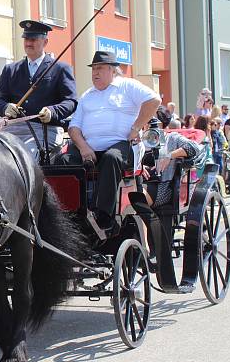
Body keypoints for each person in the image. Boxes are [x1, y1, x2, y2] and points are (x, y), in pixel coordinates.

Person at [58, 50, 161, 231]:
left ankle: (104, 215)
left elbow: (154, 100)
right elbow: (74, 127)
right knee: (63, 161)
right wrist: (83, 148)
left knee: (111, 158)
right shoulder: (87, 95)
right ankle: (67, 212)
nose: (95, 73)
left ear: (113, 70)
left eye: (100, 68)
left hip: (122, 145)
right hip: (89, 148)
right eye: (93, 69)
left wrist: (136, 127)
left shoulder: (127, 86)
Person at [0, 19, 78, 160]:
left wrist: (53, 111)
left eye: (33, 39)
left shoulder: (60, 69)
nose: (28, 43)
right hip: (13, 129)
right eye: (26, 38)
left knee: (23, 156)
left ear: (45, 42)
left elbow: (71, 101)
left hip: (45, 130)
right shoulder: (10, 70)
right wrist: (5, 107)